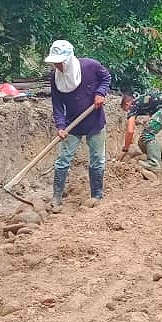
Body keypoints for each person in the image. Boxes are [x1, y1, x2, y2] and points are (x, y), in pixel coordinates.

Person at [46, 40, 110, 207]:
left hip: (95, 121)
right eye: (55, 63)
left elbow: (106, 77)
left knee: (97, 159)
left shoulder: (90, 66)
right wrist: (60, 125)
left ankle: (96, 195)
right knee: (62, 160)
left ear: (67, 59)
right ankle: (56, 197)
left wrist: (100, 93)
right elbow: (57, 104)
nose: (57, 66)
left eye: (59, 63)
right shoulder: (55, 78)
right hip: (72, 124)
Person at [121, 90, 162, 172]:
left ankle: (154, 163)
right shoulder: (144, 100)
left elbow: (130, 131)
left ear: (127, 104)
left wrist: (126, 148)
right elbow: (153, 118)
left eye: (125, 109)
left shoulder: (133, 105)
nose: (128, 112)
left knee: (147, 134)